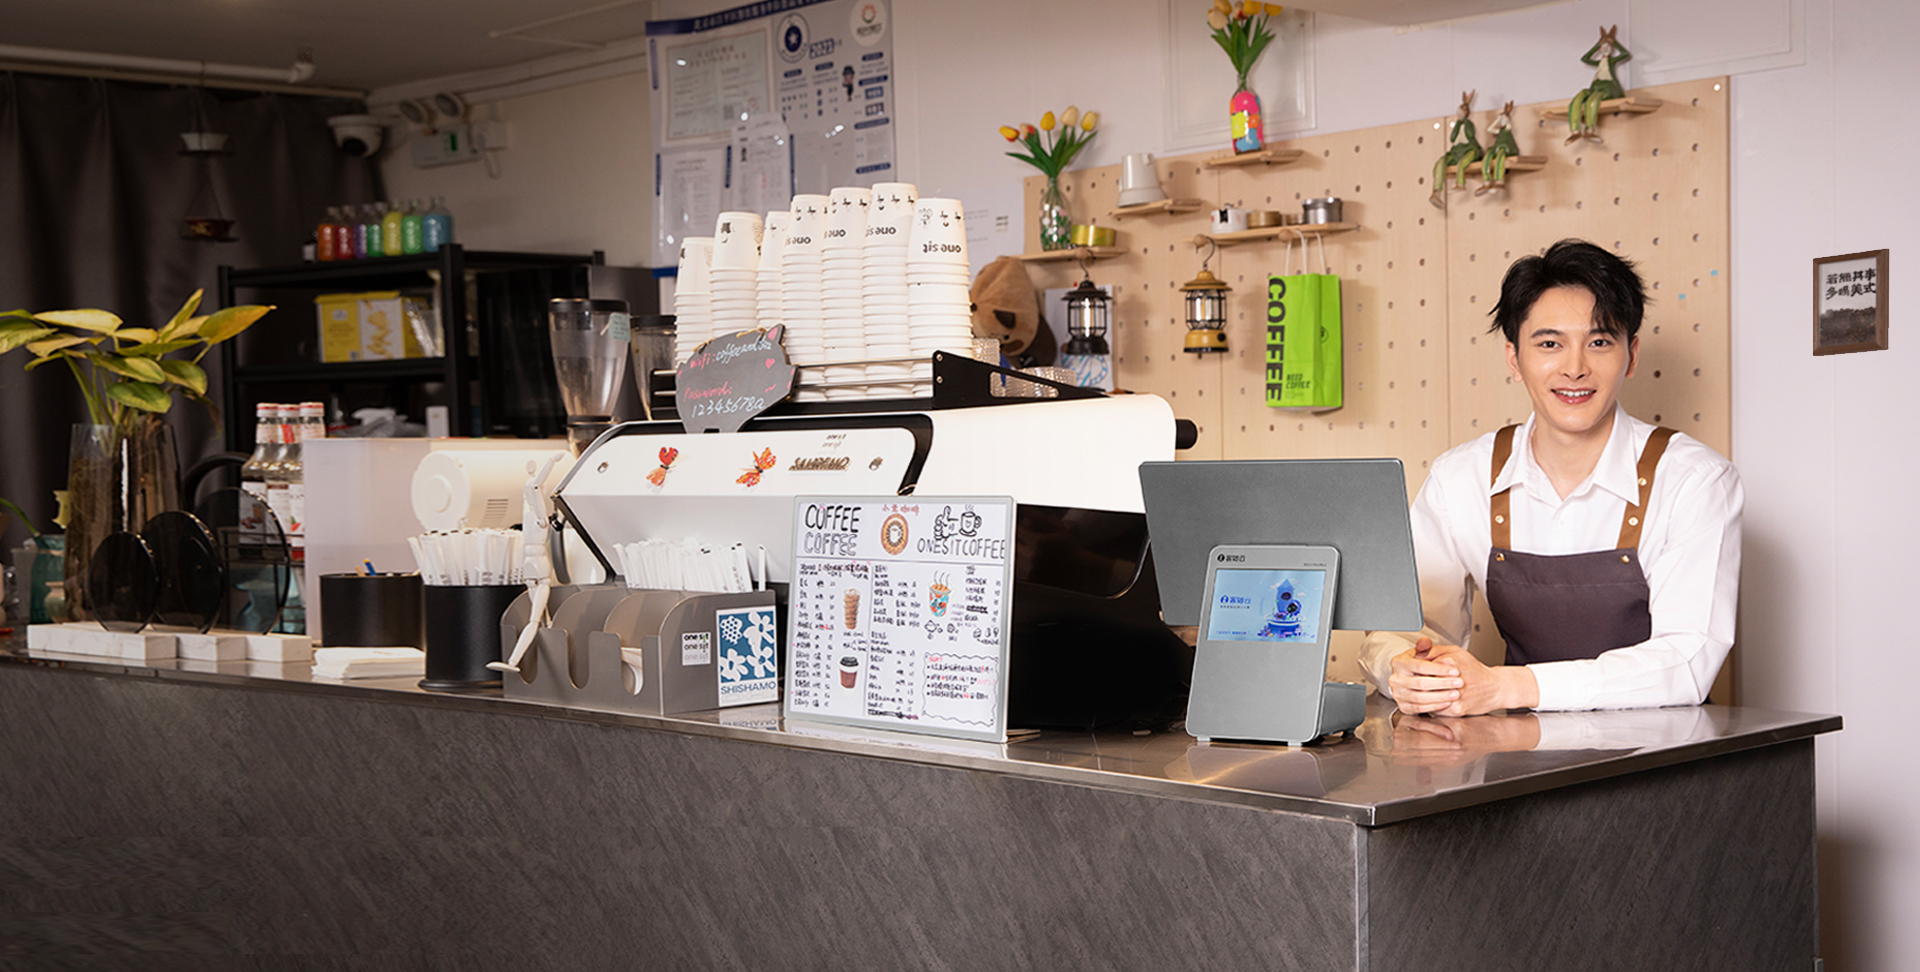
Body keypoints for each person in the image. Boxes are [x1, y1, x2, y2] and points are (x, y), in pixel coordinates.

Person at [1358, 239, 1743, 714]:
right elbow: (1406, 627)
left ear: (1632, 355)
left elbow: (1688, 660)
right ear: (1514, 359)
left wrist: (1508, 688)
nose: (1575, 368)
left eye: (1599, 342)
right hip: (1515, 745)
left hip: (1663, 748)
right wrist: (1402, 665)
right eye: (1549, 344)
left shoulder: (1695, 480)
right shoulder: (1461, 478)